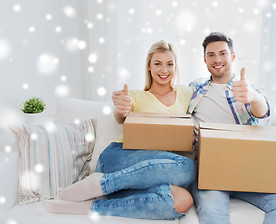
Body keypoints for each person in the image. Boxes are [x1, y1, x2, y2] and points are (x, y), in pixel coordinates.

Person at [43, 40, 196, 220]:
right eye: (158, 64)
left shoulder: (186, 93)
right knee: (187, 167)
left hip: (144, 177)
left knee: (182, 200)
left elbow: (208, 86)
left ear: (175, 66)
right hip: (119, 158)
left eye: (170, 64)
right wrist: (122, 109)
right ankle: (102, 183)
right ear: (149, 66)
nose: (164, 70)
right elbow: (120, 116)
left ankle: (93, 206)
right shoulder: (135, 95)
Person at [188, 32, 276, 224]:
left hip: (248, 170)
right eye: (211, 55)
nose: (217, 59)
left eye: (222, 53)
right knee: (214, 217)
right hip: (210, 172)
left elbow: (263, 111)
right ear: (205, 59)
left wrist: (253, 96)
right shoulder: (194, 89)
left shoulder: (247, 89)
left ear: (232, 57)